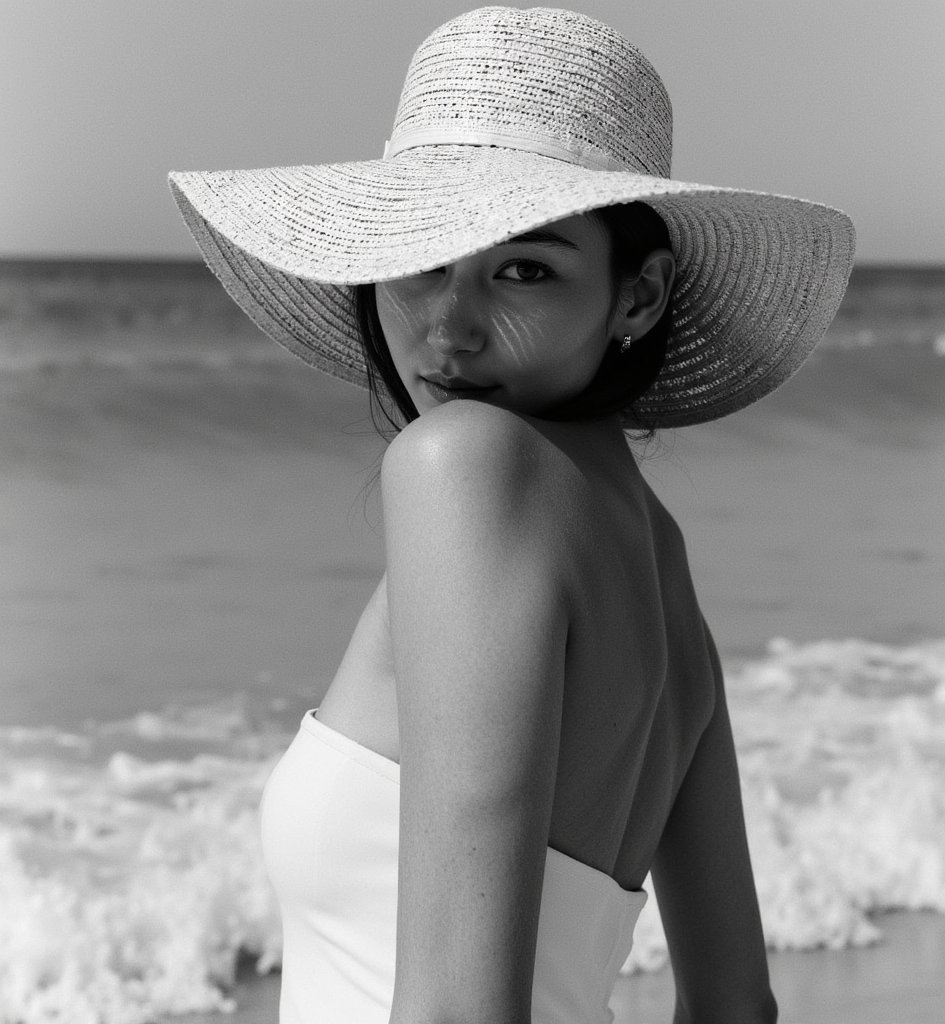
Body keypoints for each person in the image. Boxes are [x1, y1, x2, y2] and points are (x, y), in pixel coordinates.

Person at [169, 7, 854, 1023]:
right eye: (422, 257)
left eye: (523, 269)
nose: (449, 327)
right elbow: (736, 1007)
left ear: (639, 297)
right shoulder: (660, 563)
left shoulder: (462, 466)